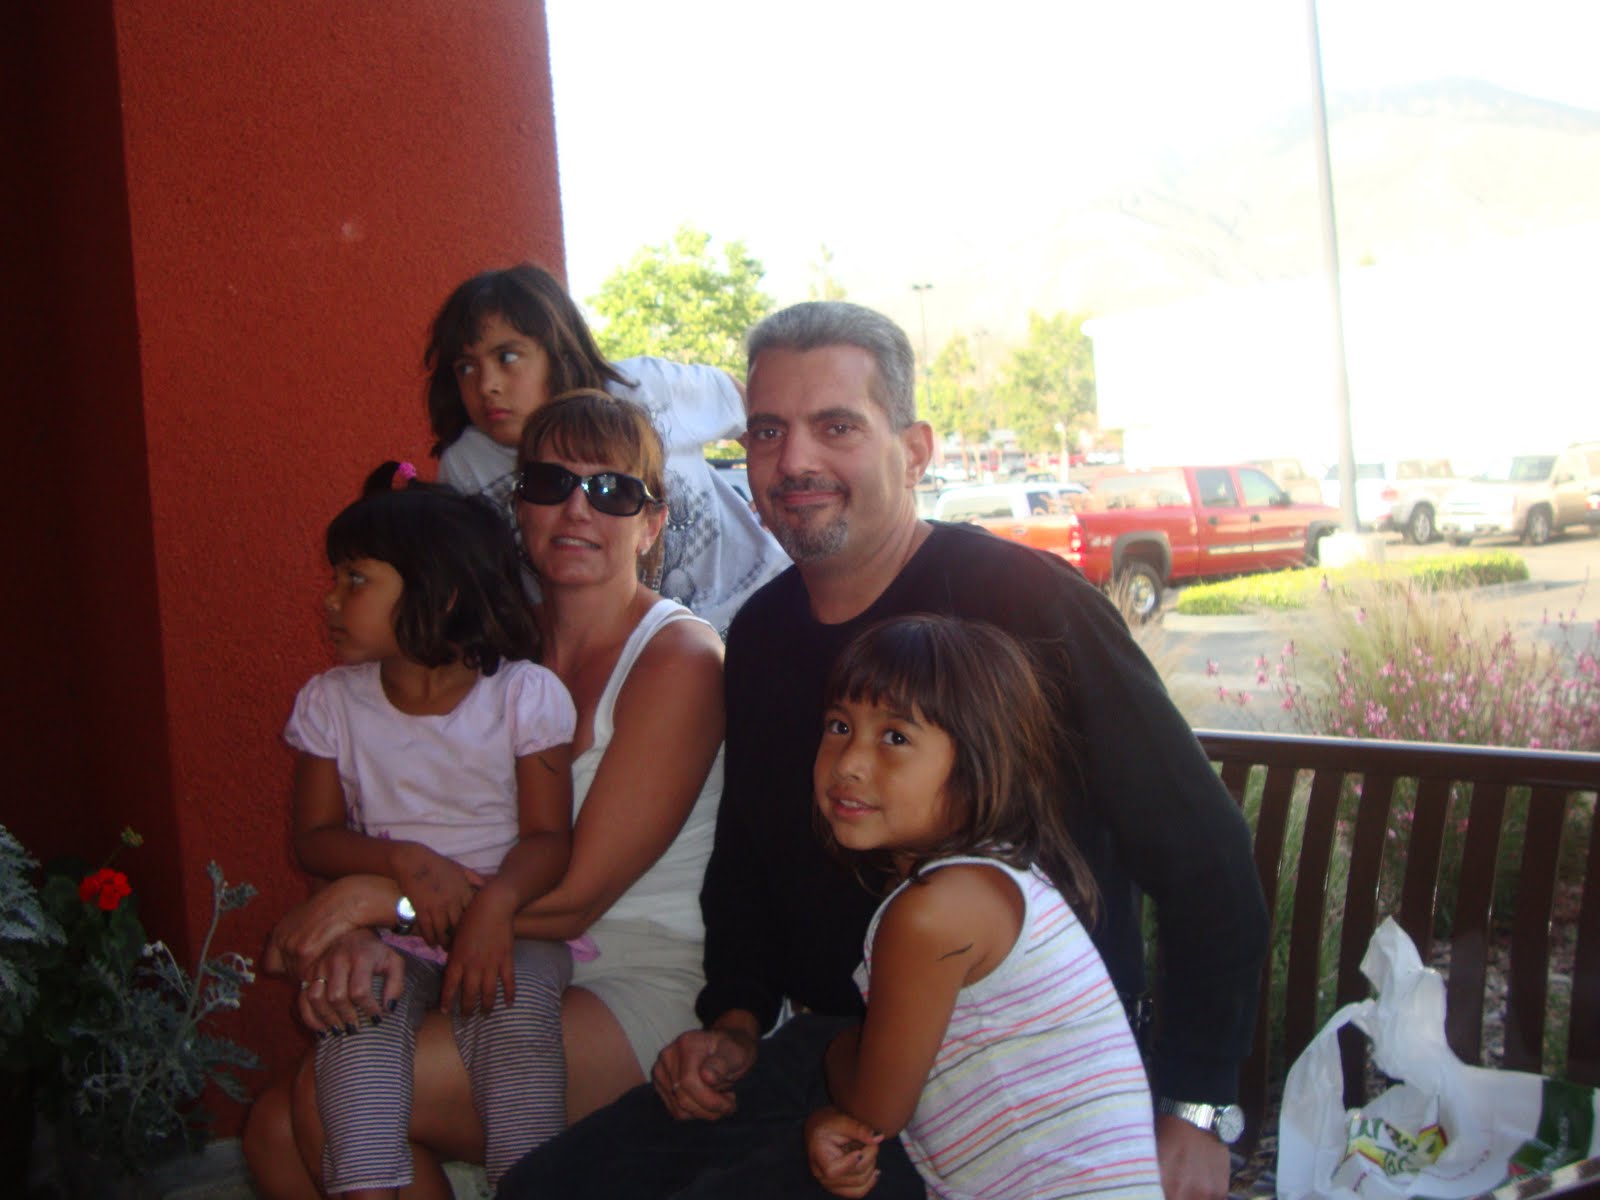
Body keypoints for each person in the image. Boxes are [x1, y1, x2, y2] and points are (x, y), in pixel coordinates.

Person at [500, 301, 1268, 1200]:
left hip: (1015, 1090)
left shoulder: (1026, 608)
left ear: (913, 451)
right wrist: (735, 1021)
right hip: (832, 1052)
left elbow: (1204, 855)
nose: (794, 461)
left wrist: (1195, 1108)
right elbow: (748, 859)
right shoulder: (762, 636)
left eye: (836, 427)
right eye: (767, 431)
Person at [246, 393, 726, 1199]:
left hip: (630, 969)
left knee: (328, 1104)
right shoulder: (492, 644)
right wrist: (371, 929)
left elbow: (573, 902)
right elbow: (404, 807)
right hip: (482, 950)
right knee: (271, 1132)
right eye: (549, 483)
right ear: (519, 507)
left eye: (613, 490)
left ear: (652, 525)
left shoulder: (679, 658)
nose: (577, 508)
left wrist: (383, 902)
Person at [287, 464, 578, 1198]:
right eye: (337, 578)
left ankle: (531, 1184)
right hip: (388, 931)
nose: (330, 599)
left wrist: (496, 905)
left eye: (356, 580)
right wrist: (405, 860)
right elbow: (314, 837)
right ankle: (366, 1186)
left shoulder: (522, 695)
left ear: (439, 593)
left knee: (515, 1024)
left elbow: (549, 838)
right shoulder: (330, 703)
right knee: (353, 1025)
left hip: (510, 928)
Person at [805, 614, 1161, 1200]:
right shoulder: (998, 878)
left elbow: (875, 1109)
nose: (849, 763)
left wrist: (836, 1053)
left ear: (977, 766)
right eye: (839, 726)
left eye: (895, 738)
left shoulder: (935, 913)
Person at [423, 263, 785, 634]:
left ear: (558, 351)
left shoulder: (642, 388)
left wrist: (776, 490)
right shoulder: (467, 464)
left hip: (768, 607)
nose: (487, 385)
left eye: (507, 357)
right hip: (630, 655)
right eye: (466, 367)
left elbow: (747, 406)